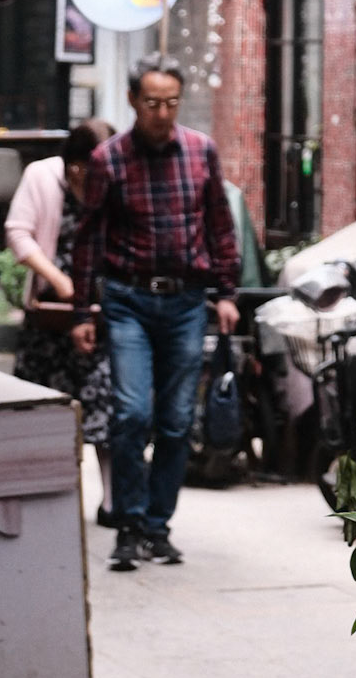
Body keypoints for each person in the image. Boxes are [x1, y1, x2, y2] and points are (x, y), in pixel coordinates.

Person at [71, 58, 240, 573]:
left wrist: (227, 293)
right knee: (131, 414)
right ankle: (128, 524)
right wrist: (82, 311)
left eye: (171, 103)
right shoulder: (108, 160)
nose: (163, 113)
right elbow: (89, 239)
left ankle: (157, 526)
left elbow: (220, 224)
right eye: (152, 103)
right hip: (128, 301)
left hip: (187, 302)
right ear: (132, 101)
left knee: (176, 421)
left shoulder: (201, 151)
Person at [5, 120, 117, 522]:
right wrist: (58, 280)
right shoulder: (41, 176)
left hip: (101, 312)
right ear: (75, 166)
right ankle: (50, 499)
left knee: (107, 405)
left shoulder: (115, 182)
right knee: (44, 408)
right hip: (52, 314)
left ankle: (111, 501)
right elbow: (18, 233)